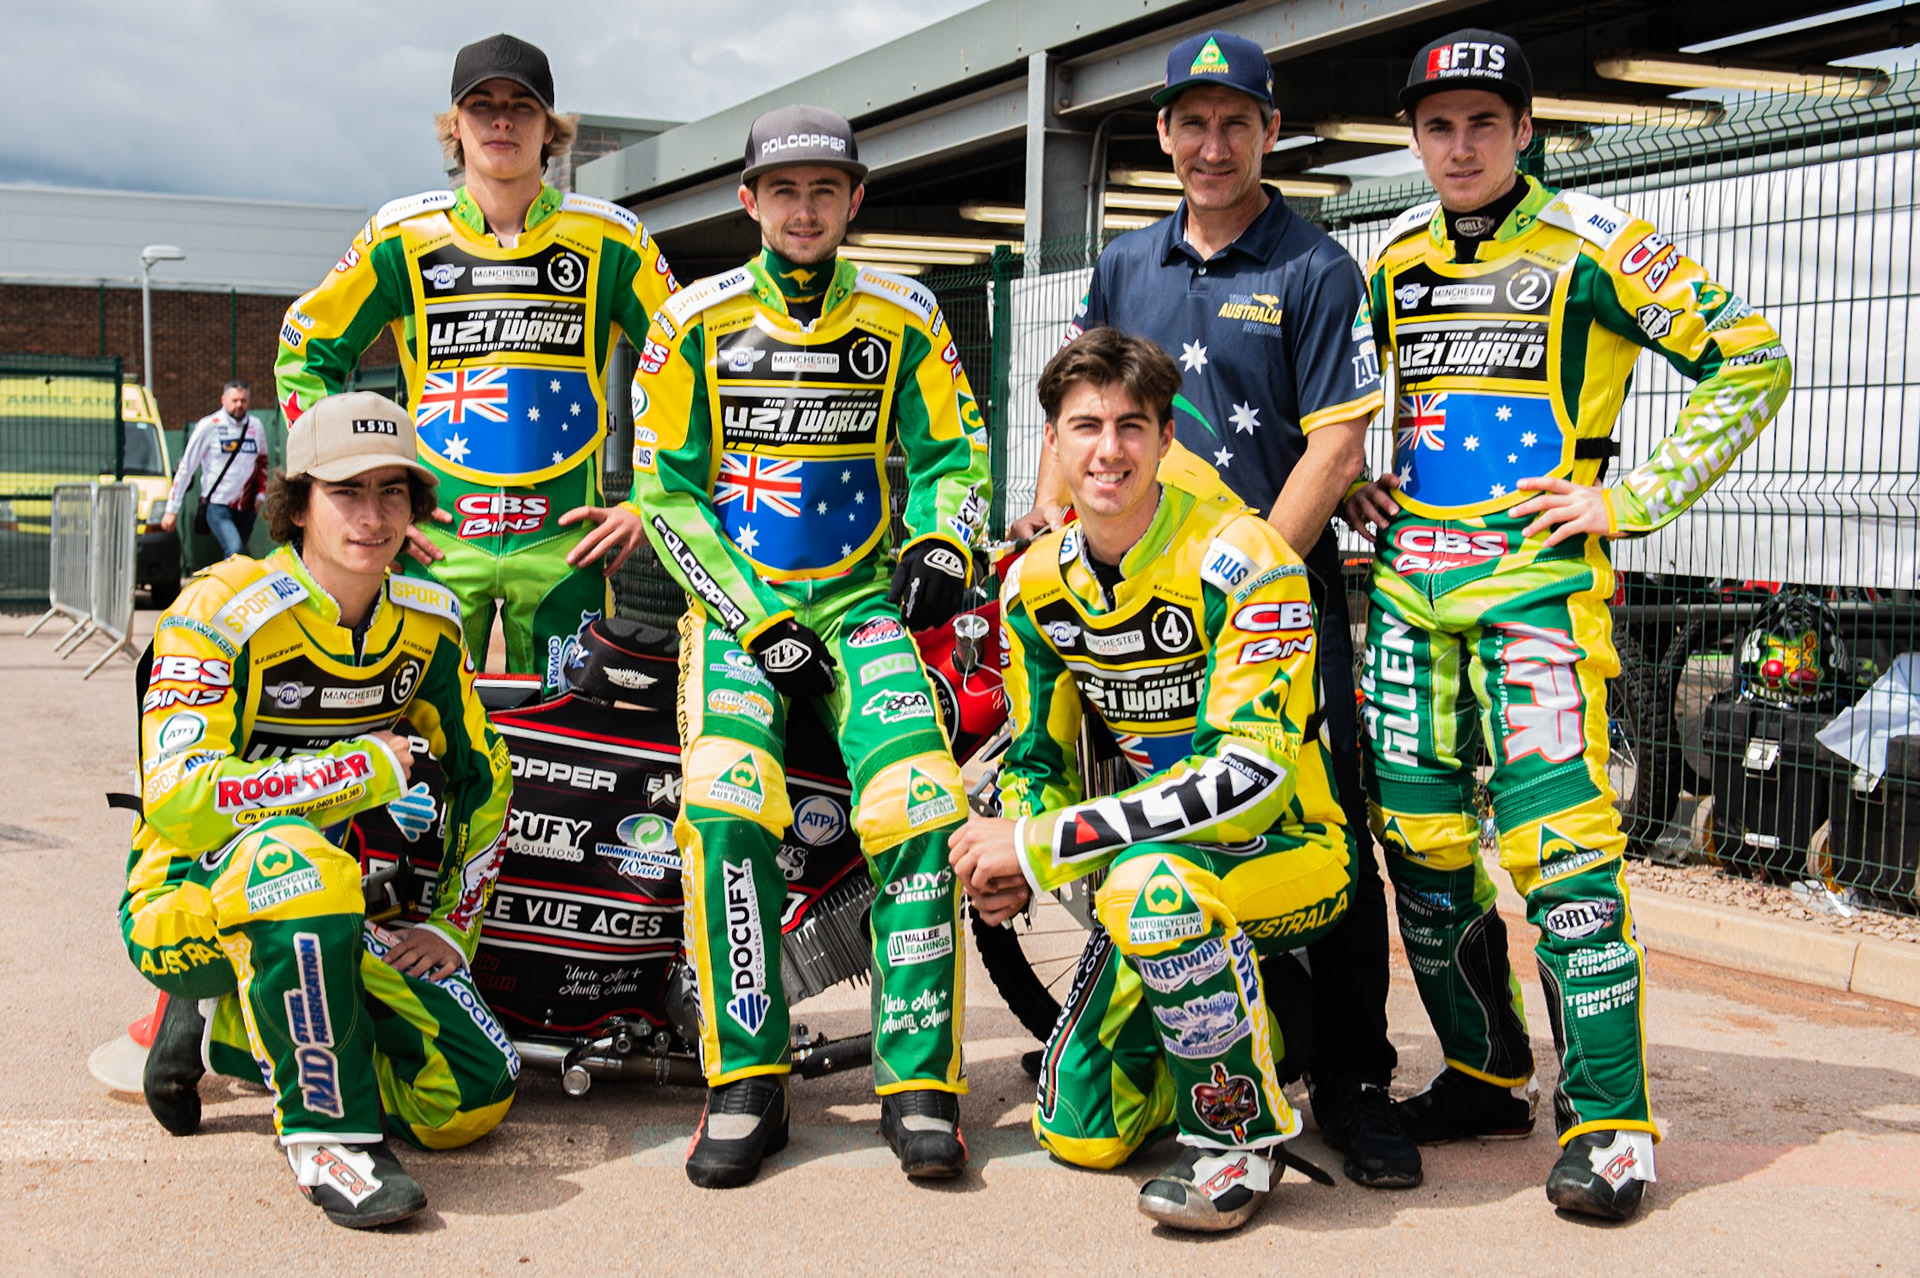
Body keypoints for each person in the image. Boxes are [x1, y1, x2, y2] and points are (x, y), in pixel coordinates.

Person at [1342, 28, 1793, 1221]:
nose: (1460, 143)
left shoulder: (1597, 243)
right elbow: (1363, 415)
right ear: (1416, 136)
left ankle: (1610, 1123)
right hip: (1405, 592)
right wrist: (1355, 485)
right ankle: (1487, 1073)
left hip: (1542, 591)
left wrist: (1631, 497)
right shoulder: (1390, 262)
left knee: (1568, 858)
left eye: (1484, 121)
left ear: (1526, 129)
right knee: (1424, 849)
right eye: (1437, 125)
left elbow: (1749, 358)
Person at [1010, 29, 1416, 1188]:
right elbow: (1084, 408)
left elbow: (1338, 442)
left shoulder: (1315, 265)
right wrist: (1052, 526)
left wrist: (1249, 581)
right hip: (1130, 604)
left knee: (1314, 821)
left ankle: (1352, 1082)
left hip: (1264, 606)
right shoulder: (1127, 261)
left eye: (1236, 120)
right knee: (1158, 822)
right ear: (1164, 136)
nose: (1213, 142)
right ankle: (1228, 1052)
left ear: (1270, 133)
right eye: (1193, 122)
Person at [599, 104, 990, 1190]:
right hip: (739, 614)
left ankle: (919, 1087)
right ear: (749, 203)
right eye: (785, 191)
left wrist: (943, 542)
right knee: (725, 805)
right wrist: (753, 619)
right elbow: (665, 494)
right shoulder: (695, 321)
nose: (806, 208)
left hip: (865, 604)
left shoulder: (906, 314)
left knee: (920, 801)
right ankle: (748, 1080)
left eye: (827, 189)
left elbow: (954, 456)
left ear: (857, 199)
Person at [951, 328, 1354, 1231]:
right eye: (1085, 426)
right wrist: (1019, 849)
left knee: (1147, 892)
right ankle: (1251, 1026)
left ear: (1167, 440)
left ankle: (1239, 1143)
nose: (1109, 449)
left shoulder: (1248, 560)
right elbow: (1040, 761)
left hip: (1290, 846)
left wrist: (1038, 844)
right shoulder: (1032, 587)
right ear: (1051, 446)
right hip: (1155, 856)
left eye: (1133, 427)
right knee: (1082, 1130)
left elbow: (1251, 775)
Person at [123, 391, 519, 1228]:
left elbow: (487, 780)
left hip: (326, 904)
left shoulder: (428, 625)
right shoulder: (217, 610)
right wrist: (363, 767)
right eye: (345, 492)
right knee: (295, 865)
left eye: (392, 491)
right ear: (296, 504)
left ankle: (235, 1032)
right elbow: (183, 801)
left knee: (473, 1093)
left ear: (415, 507)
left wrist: (453, 925)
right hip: (182, 898)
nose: (371, 517)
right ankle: (329, 1139)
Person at [276, 32, 676, 692]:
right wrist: (355, 494)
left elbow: (687, 364)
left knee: (567, 736)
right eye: (481, 105)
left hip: (565, 545)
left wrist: (646, 499)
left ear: (550, 128)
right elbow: (304, 353)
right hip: (434, 539)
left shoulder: (613, 238)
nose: (500, 120)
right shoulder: (401, 237)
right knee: (420, 730)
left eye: (522, 107)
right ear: (453, 128)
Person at [160, 380, 269, 559]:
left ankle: (232, 586)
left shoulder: (256, 426)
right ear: (223, 400)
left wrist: (261, 493)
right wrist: (172, 509)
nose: (239, 405)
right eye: (234, 400)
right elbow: (186, 467)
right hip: (218, 504)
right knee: (234, 549)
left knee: (239, 558)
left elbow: (262, 462)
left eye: (243, 401)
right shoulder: (209, 426)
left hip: (247, 506)